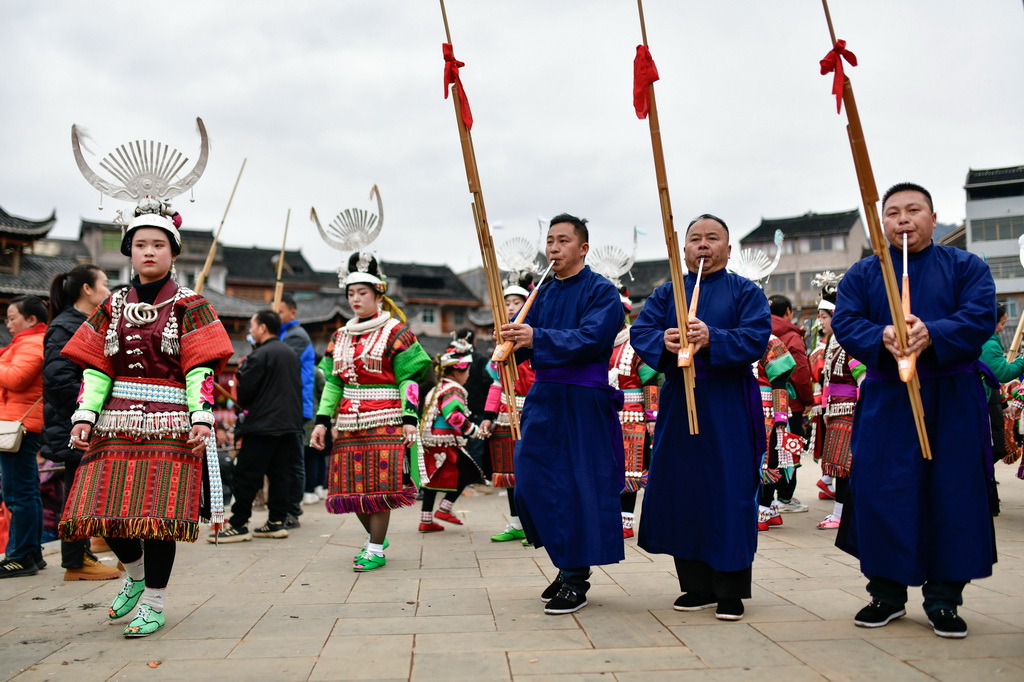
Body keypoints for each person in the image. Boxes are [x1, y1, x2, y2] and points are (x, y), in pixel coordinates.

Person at [60, 197, 234, 637]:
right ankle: (135, 576)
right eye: (141, 244)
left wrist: (201, 416)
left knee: (159, 518)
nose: (149, 251)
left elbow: (199, 368)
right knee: (101, 512)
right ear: (130, 251)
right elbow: (98, 368)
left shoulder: (191, 305)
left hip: (172, 419)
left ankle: (154, 600)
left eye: (159, 244)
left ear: (174, 252)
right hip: (115, 419)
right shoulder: (112, 305)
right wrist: (84, 415)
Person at [831, 182, 997, 639]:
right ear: (881, 222)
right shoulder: (864, 274)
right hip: (888, 398)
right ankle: (885, 593)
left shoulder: (966, 266)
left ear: (932, 216)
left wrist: (934, 333)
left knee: (953, 491)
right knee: (884, 490)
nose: (903, 219)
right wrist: (883, 336)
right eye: (893, 213)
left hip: (951, 396)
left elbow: (982, 314)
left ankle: (944, 599)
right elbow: (846, 321)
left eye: (914, 210)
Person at [631, 214, 771, 621]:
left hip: (727, 398)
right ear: (684, 249)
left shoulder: (746, 292)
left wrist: (714, 337)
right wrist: (664, 339)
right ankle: (695, 585)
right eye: (695, 239)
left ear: (729, 248)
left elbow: (756, 338)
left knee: (729, 490)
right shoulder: (667, 292)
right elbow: (642, 333)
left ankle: (730, 589)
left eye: (713, 238)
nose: (703, 245)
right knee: (683, 489)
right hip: (680, 397)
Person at [499, 213, 624, 616]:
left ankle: (575, 576)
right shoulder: (543, 291)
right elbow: (526, 339)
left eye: (563, 240)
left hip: (582, 398)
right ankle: (564, 559)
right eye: (550, 240)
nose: (554, 247)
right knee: (531, 484)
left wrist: (536, 338)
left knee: (576, 486)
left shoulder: (601, 292)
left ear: (583, 248)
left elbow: (592, 338)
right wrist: (511, 342)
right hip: (544, 396)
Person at [309, 253, 431, 571]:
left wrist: (409, 417)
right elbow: (333, 383)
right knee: (350, 487)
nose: (355, 299)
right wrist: (322, 420)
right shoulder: (340, 336)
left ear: (379, 294)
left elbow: (410, 379)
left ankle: (375, 546)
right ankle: (377, 537)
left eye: (362, 293)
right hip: (349, 420)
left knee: (380, 486)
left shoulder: (396, 332)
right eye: (350, 293)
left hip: (387, 418)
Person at [42, 264, 120, 581]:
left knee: (91, 491)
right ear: (86, 289)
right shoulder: (65, 327)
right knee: (78, 493)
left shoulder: (89, 322)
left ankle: (89, 550)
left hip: (88, 423)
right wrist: (93, 406)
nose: (108, 289)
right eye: (103, 283)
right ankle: (75, 561)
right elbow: (59, 380)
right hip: (75, 424)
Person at [208, 310, 304, 543]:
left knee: (246, 474)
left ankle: (239, 523)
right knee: (279, 474)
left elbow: (245, 393)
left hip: (263, 425)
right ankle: (277, 521)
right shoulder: (290, 353)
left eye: (252, 326)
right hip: (288, 423)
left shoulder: (259, 355)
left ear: (262, 328)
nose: (250, 331)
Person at [481, 277, 536, 543]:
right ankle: (516, 523)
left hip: (533, 408)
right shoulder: (499, 341)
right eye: (507, 302)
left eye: (517, 302)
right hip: (506, 410)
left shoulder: (534, 333)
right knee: (509, 470)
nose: (511, 306)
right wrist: (489, 416)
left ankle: (534, 524)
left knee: (532, 470)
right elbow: (497, 383)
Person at [0, 295, 48, 578]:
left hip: (19, 426)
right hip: (22, 424)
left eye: (12, 317)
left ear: (31, 319)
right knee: (26, 491)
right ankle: (31, 553)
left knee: (18, 494)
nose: (8, 324)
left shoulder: (32, 343)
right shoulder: (27, 342)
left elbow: (17, 378)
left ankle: (19, 556)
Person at [812, 274, 864, 530]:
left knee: (845, 466)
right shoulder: (832, 341)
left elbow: (862, 376)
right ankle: (843, 512)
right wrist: (824, 407)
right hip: (834, 410)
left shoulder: (850, 338)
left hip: (850, 410)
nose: (820, 322)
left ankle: (842, 513)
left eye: (824, 317)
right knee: (838, 465)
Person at [416, 339, 484, 532]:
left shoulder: (437, 388)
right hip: (446, 441)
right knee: (468, 473)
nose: (468, 375)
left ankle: (426, 520)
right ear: (457, 371)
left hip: (432, 440)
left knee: (431, 481)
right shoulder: (453, 389)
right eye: (467, 370)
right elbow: (453, 416)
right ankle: (444, 510)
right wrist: (474, 431)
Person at [607, 291, 659, 539]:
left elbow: (650, 382)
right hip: (604, 414)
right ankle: (608, 517)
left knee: (630, 469)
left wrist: (652, 416)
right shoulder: (598, 342)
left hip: (633, 415)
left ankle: (625, 521)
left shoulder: (636, 343)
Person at [764, 294, 813, 513]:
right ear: (788, 313)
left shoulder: (752, 334)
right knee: (785, 452)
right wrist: (808, 400)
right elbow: (801, 372)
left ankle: (767, 504)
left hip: (753, 403)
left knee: (764, 453)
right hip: (787, 403)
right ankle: (781, 499)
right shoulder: (791, 337)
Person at [279, 293, 318, 518]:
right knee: (288, 458)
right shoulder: (285, 334)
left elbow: (279, 362)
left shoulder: (296, 336)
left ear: (292, 313)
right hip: (288, 404)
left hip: (295, 405)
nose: (277, 316)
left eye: (280, 312)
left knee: (294, 459)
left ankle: (293, 507)